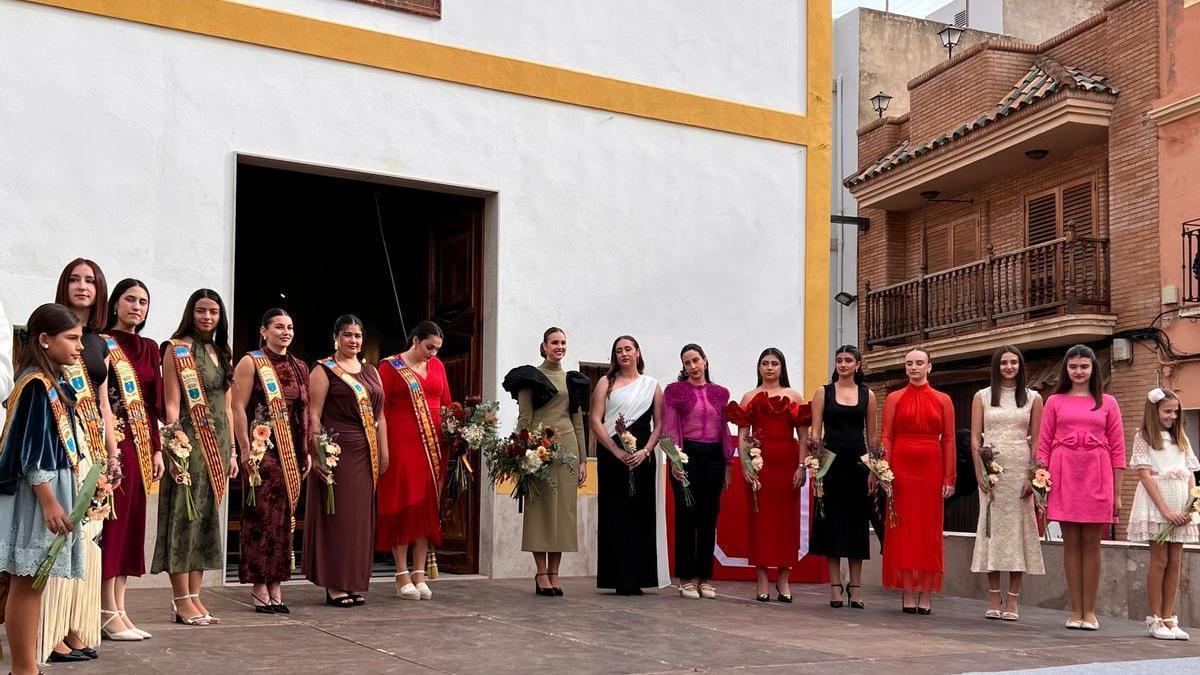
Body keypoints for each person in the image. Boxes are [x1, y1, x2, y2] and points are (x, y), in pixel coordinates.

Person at [0, 304, 86, 675]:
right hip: (37, 496)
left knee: (32, 583)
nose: (80, 346)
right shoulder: (36, 385)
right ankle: (23, 667)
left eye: (80, 338)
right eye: (72, 338)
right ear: (45, 340)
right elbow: (32, 453)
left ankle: (26, 664)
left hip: (51, 490)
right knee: (26, 583)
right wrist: (50, 502)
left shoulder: (53, 383)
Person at [44, 258, 121, 662]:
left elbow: (106, 404)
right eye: (73, 279)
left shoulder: (99, 342)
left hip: (92, 446)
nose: (82, 286)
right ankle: (50, 631)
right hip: (60, 445)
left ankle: (74, 625)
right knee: (60, 537)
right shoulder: (50, 331)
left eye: (90, 280)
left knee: (88, 539)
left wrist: (112, 452)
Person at [151, 289, 239, 626]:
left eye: (213, 312)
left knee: (205, 521)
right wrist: (173, 445)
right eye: (201, 311)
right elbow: (172, 404)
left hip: (216, 445)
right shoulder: (177, 349)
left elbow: (229, 408)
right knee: (184, 519)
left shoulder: (220, 351)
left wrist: (231, 450)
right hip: (188, 443)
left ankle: (196, 598)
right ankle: (180, 599)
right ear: (191, 312)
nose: (207, 317)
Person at [1037, 344, 1124, 631]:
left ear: (1093, 369)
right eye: (1073, 366)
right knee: (1070, 543)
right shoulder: (1054, 401)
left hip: (1097, 474)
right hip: (1064, 475)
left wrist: (1118, 492)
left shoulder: (1108, 402)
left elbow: (1119, 449)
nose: (1078, 371)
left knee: (1093, 544)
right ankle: (1075, 610)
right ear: (1066, 369)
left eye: (1083, 366)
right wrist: (1042, 483)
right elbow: (1043, 445)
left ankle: (1091, 610)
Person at [303, 315, 388, 607]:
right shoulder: (323, 370)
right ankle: (335, 584)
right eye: (348, 335)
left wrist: (384, 451)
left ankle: (353, 581)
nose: (353, 340)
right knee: (338, 518)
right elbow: (313, 414)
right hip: (337, 451)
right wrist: (316, 453)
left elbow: (380, 416)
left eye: (358, 335)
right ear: (336, 337)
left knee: (359, 521)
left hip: (367, 452)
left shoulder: (372, 371)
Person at [99, 279, 165, 640]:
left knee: (131, 528)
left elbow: (153, 405)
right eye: (130, 300)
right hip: (114, 444)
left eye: (143, 301)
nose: (136, 307)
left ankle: (120, 608)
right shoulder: (100, 341)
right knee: (114, 525)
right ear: (115, 303)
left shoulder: (150, 348)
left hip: (141, 446)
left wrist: (156, 448)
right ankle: (106, 609)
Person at [502, 327, 589, 597]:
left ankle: (555, 573)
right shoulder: (530, 378)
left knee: (563, 513)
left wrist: (583, 460)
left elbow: (577, 422)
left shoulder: (572, 380)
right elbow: (524, 419)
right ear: (544, 346)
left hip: (568, 453)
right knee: (540, 513)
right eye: (554, 342)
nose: (559, 347)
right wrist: (520, 452)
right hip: (538, 452)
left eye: (563, 342)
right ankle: (540, 573)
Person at [232, 309, 309, 613]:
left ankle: (277, 582)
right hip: (262, 451)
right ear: (263, 331)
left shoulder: (300, 366)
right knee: (260, 518)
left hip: (290, 453)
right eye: (278, 327)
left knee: (283, 522)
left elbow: (303, 412)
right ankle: (259, 585)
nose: (285, 332)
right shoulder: (251, 362)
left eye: (290, 327)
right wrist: (244, 447)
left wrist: (306, 452)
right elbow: (237, 407)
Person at [726, 348, 811, 603]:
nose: (770, 367)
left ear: (782, 367)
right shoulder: (749, 396)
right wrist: (745, 467)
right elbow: (742, 435)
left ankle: (784, 580)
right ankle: (762, 579)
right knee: (759, 522)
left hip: (787, 465)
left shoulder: (793, 395)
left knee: (787, 523)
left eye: (775, 363)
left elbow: (804, 436)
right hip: (759, 466)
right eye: (765, 363)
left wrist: (802, 467)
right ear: (759, 367)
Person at [376, 321, 452, 600]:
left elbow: (447, 405)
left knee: (424, 508)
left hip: (433, 447)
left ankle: (420, 573)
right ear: (416, 340)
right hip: (401, 444)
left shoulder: (438, 367)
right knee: (402, 505)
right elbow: (378, 411)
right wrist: (383, 449)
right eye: (429, 347)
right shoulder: (389, 367)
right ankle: (400, 574)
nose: (433, 353)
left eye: (437, 348)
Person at [969, 346, 1045, 622]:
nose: (1009, 367)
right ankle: (992, 596)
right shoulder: (983, 396)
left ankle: (1012, 600)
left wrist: (1032, 476)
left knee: (1018, 532)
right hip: (991, 470)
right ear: (996, 367)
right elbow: (976, 438)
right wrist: (979, 470)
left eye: (1014, 362)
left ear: (1020, 366)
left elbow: (1037, 441)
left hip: (1019, 470)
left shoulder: (1034, 398)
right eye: (1004, 363)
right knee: (992, 530)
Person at [880, 348, 955, 615]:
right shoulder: (893, 398)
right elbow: (886, 436)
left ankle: (926, 592)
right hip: (901, 468)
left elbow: (948, 439)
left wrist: (949, 476)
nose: (914, 367)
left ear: (929, 367)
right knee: (902, 529)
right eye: (909, 363)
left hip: (931, 469)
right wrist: (884, 471)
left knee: (928, 531)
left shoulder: (944, 400)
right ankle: (908, 592)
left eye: (919, 363)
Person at [591, 335, 666, 595]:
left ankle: (640, 577)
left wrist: (645, 451)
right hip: (613, 457)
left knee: (640, 514)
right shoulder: (605, 382)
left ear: (637, 352)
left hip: (642, 456)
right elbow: (595, 419)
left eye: (628, 349)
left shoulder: (651, 385)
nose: (624, 354)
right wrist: (614, 450)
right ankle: (618, 577)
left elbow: (659, 424)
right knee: (616, 513)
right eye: (619, 350)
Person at [661, 343, 732, 600]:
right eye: (687, 363)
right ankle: (685, 579)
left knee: (708, 518)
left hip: (713, 458)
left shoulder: (720, 393)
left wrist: (727, 465)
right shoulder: (675, 391)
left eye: (695, 361)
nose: (692, 366)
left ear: (705, 361)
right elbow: (669, 427)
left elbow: (724, 430)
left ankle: (704, 578)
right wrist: (676, 462)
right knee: (686, 518)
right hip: (686, 456)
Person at [1126, 387, 1196, 640]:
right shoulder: (1143, 437)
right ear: (1154, 411)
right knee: (1160, 560)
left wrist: (1191, 506)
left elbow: (1190, 474)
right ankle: (1155, 618)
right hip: (1157, 502)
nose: (1173, 416)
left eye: (1175, 412)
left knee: (1176, 561)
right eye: (1167, 411)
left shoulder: (1182, 439)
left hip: (1181, 502)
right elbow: (1144, 474)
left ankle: (1169, 617)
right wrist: (1165, 510)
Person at [809, 345, 875, 609]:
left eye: (848, 360)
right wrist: (815, 465)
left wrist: (874, 468)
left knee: (857, 524)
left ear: (858, 364)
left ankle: (856, 586)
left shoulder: (867, 394)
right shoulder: (823, 392)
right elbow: (815, 433)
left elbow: (872, 436)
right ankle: (835, 585)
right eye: (839, 360)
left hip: (858, 464)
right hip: (830, 464)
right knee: (831, 523)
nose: (843, 364)